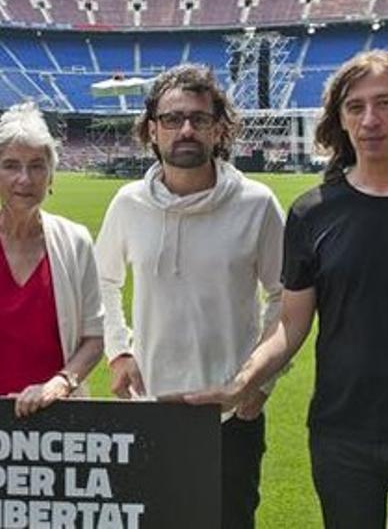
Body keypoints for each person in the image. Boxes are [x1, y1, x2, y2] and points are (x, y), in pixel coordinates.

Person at [184, 49, 388, 529]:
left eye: (384, 103)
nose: (370, 119)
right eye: (355, 107)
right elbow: (290, 323)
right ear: (340, 118)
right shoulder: (312, 212)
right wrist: (242, 382)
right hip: (341, 436)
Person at [94, 64, 284, 529]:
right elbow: (101, 282)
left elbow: (284, 298)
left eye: (198, 119)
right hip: (150, 406)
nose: (185, 129)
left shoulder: (257, 204)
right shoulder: (128, 203)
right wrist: (119, 350)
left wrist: (258, 384)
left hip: (230, 410)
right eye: (172, 119)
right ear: (151, 130)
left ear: (218, 129)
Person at [0, 102, 104, 417]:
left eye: (37, 166)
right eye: (11, 165)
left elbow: (94, 338)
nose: (24, 178)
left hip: (59, 418)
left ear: (51, 177)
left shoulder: (76, 241)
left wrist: (61, 383)